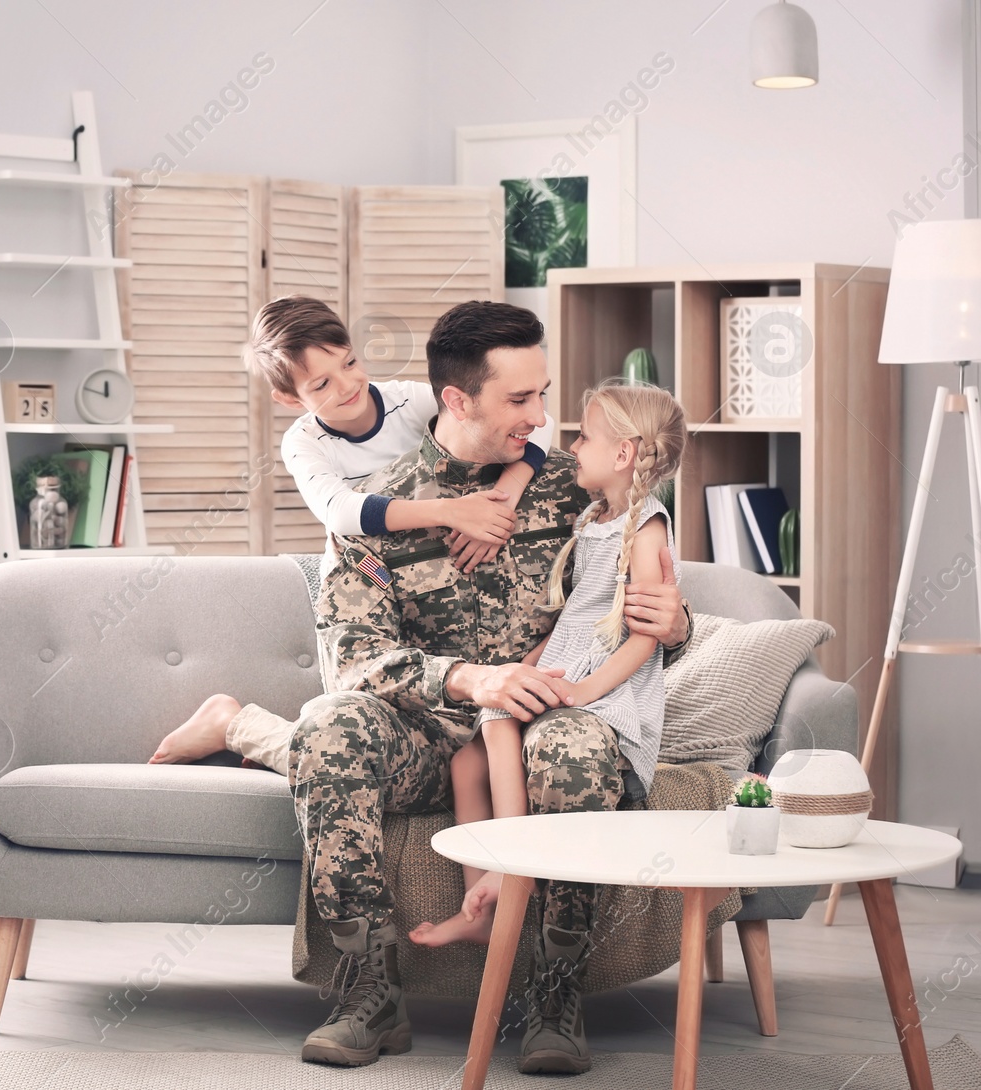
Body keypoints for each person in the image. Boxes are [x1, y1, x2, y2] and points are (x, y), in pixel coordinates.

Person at [288, 301, 691, 1073]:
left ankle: (555, 991)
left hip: (546, 716)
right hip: (425, 731)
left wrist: (676, 624)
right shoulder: (373, 512)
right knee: (326, 725)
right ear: (457, 400)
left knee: (573, 749)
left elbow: (637, 604)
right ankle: (368, 989)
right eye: (521, 401)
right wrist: (469, 678)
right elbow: (355, 655)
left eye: (544, 395)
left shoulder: (575, 484)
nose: (542, 417)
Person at [149, 294, 557, 768]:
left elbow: (530, 425)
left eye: (350, 362)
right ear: (288, 398)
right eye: (322, 383)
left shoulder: (409, 398)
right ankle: (235, 725)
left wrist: (505, 494)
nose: (348, 386)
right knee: (346, 729)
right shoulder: (304, 441)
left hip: (434, 560)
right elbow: (340, 511)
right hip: (363, 568)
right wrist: (455, 512)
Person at [409, 379, 687, 955]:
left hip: (605, 687)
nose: (572, 446)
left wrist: (585, 692)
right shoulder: (593, 517)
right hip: (570, 663)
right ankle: (482, 906)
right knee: (467, 763)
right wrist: (524, 666)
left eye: (584, 437)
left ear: (623, 454)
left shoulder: (646, 526)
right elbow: (574, 619)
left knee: (496, 719)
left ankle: (514, 864)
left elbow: (645, 639)